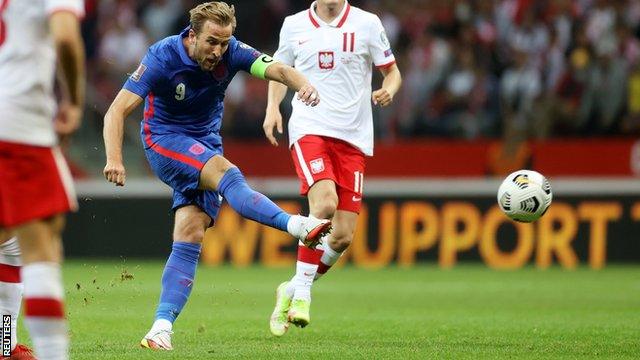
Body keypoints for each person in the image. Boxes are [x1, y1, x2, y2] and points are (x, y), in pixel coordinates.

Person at [102, 1, 332, 351]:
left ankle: (160, 328)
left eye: (224, 43)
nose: (217, 51)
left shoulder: (232, 52)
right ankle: (298, 226)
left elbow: (279, 70)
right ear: (191, 35)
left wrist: (303, 85)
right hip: (164, 140)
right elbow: (117, 110)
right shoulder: (162, 56)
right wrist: (115, 159)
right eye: (211, 42)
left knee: (191, 233)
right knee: (228, 174)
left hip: (205, 143)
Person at [263, 0, 402, 336]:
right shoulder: (294, 24)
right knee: (324, 204)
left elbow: (392, 71)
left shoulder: (368, 24)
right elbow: (279, 71)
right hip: (310, 126)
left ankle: (292, 287)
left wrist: (389, 91)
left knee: (341, 237)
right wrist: (272, 108)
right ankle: (303, 297)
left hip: (353, 136)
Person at [0, 0, 86, 359]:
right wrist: (74, 100)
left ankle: (3, 344)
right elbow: (66, 37)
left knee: (10, 248)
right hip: (17, 122)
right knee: (40, 248)